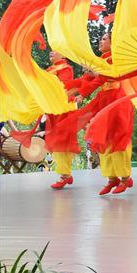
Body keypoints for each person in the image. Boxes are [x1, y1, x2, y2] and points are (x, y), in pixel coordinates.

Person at [78, 32, 134, 196]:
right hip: (104, 100)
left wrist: (95, 74)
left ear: (112, 42)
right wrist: (81, 92)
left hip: (117, 101)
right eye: (100, 39)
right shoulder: (101, 61)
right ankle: (112, 178)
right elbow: (94, 80)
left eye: (104, 39)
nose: (100, 41)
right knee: (104, 137)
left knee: (118, 138)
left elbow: (110, 75)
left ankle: (125, 177)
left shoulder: (117, 58)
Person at [45, 51, 82, 189]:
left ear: (64, 55)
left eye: (56, 49)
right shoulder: (50, 69)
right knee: (56, 140)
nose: (52, 52)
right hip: (55, 108)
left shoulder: (66, 68)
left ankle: (65, 175)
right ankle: (66, 173)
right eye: (51, 49)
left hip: (65, 108)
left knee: (62, 140)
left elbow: (63, 87)